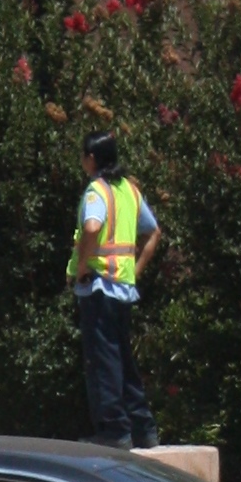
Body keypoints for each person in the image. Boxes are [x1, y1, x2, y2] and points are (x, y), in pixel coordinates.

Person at [67, 131, 161, 450]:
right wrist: (135, 271)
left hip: (98, 288)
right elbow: (153, 232)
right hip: (123, 288)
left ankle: (113, 429)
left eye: (83, 155)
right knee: (123, 357)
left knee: (103, 360)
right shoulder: (129, 190)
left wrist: (82, 266)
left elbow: (92, 227)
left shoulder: (97, 191)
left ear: (92, 160)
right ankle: (142, 427)